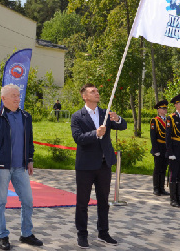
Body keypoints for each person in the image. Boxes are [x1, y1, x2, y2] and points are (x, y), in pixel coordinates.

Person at [0, 84, 43, 250]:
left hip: (20, 168)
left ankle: (26, 234)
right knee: (0, 203)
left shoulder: (26, 116)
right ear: (3, 99)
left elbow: (29, 140)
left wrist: (29, 159)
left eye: (18, 95)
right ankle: (3, 236)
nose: (18, 98)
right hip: (1, 167)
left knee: (28, 201)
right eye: (14, 96)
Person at [71, 83, 127, 249]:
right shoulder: (77, 116)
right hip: (85, 166)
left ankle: (103, 232)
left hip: (104, 164)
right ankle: (82, 234)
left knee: (103, 200)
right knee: (83, 202)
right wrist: (95, 133)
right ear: (84, 96)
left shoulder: (105, 113)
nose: (97, 93)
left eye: (97, 91)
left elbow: (122, 126)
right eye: (92, 91)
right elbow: (78, 138)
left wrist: (117, 119)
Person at [150, 99, 169, 196]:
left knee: (164, 168)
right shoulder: (155, 121)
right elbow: (153, 137)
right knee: (157, 168)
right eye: (163, 108)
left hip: (166, 147)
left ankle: (162, 188)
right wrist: (155, 150)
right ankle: (156, 188)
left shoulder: (168, 120)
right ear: (158, 110)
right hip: (158, 146)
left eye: (166, 108)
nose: (165, 110)